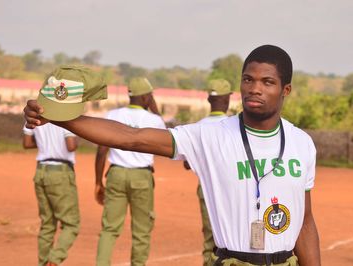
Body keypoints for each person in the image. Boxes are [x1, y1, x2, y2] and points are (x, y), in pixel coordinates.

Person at [24, 44, 321, 266]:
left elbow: (305, 222)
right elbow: (133, 138)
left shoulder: (302, 143)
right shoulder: (210, 134)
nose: (254, 89)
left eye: (267, 82)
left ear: (286, 89)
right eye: (248, 79)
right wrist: (59, 118)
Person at [94, 77, 166, 266]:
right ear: (145, 97)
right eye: (150, 95)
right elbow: (167, 139)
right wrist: (156, 111)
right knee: (141, 231)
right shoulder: (154, 120)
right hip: (141, 176)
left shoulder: (112, 115)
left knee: (109, 228)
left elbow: (102, 151)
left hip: (116, 173)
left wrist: (98, 182)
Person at [183, 79, 232, 265]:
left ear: (209, 100)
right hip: (232, 189)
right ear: (227, 100)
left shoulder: (199, 127)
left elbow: (187, 163)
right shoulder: (234, 126)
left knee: (210, 239)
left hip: (206, 188)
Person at [23, 123, 79, 266]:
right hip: (60, 172)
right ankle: (54, 260)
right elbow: (71, 145)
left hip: (41, 170)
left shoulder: (36, 115)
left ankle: (43, 263)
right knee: (71, 224)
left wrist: (45, 143)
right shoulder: (66, 117)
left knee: (47, 225)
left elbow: (27, 143)